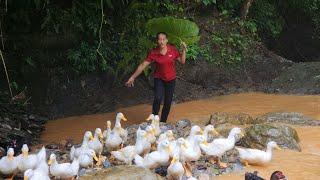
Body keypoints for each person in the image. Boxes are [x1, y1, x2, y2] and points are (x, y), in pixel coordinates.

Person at [125, 32, 187, 122]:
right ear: (157, 41)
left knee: (168, 102)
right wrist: (132, 77)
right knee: (158, 98)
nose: (161, 42)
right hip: (159, 79)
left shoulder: (172, 50)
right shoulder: (154, 52)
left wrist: (184, 50)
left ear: (167, 40)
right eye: (159, 39)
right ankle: (154, 119)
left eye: (163, 39)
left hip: (171, 79)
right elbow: (143, 65)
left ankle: (163, 122)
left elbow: (182, 61)